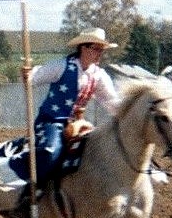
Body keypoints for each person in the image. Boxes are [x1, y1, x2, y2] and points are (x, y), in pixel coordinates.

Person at [8, 27, 121, 201]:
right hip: (51, 121)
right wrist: (27, 76)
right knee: (51, 151)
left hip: (78, 123)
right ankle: (29, 189)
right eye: (96, 49)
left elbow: (112, 102)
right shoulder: (61, 66)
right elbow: (35, 78)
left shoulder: (99, 75)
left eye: (102, 50)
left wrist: (128, 115)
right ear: (84, 48)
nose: (100, 54)